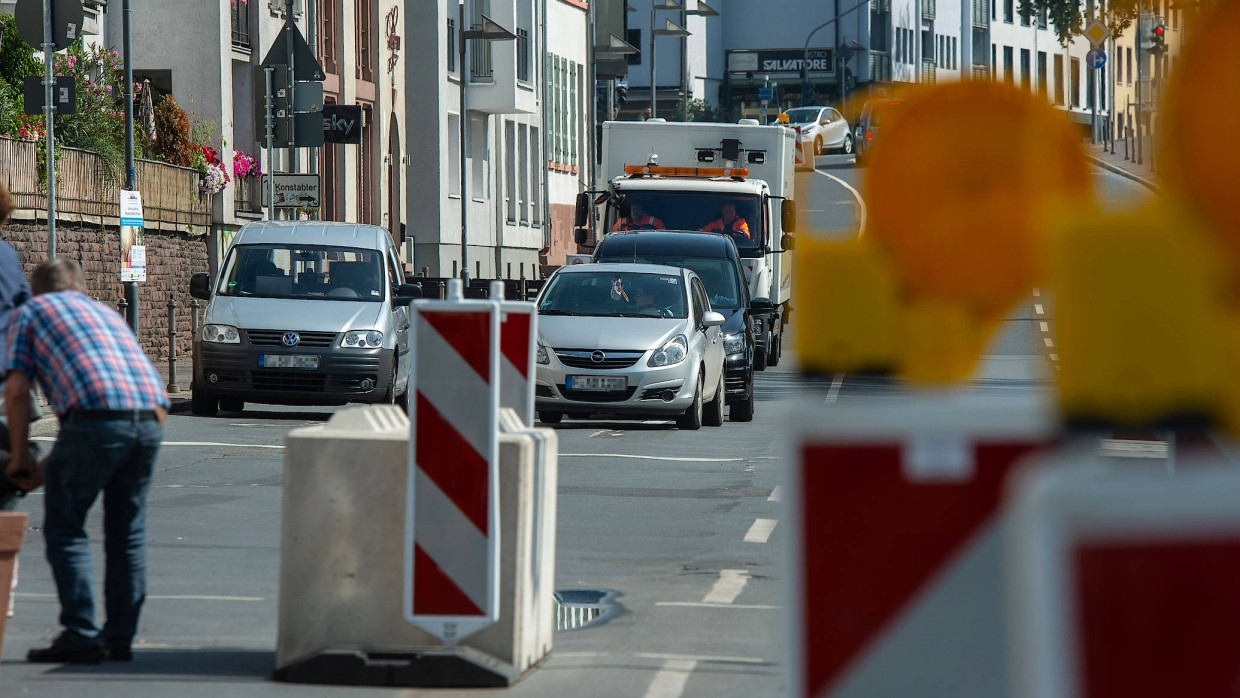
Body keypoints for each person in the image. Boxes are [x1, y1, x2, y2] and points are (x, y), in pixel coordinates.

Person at [4, 258, 169, 664]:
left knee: (65, 528)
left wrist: (21, 457)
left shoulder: (30, 313)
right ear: (79, 287)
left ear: (37, 289)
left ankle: (80, 633)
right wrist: (45, 468)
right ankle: (119, 638)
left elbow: (18, 391)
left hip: (93, 419)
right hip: (151, 417)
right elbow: (91, 423)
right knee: (126, 532)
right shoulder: (105, 313)